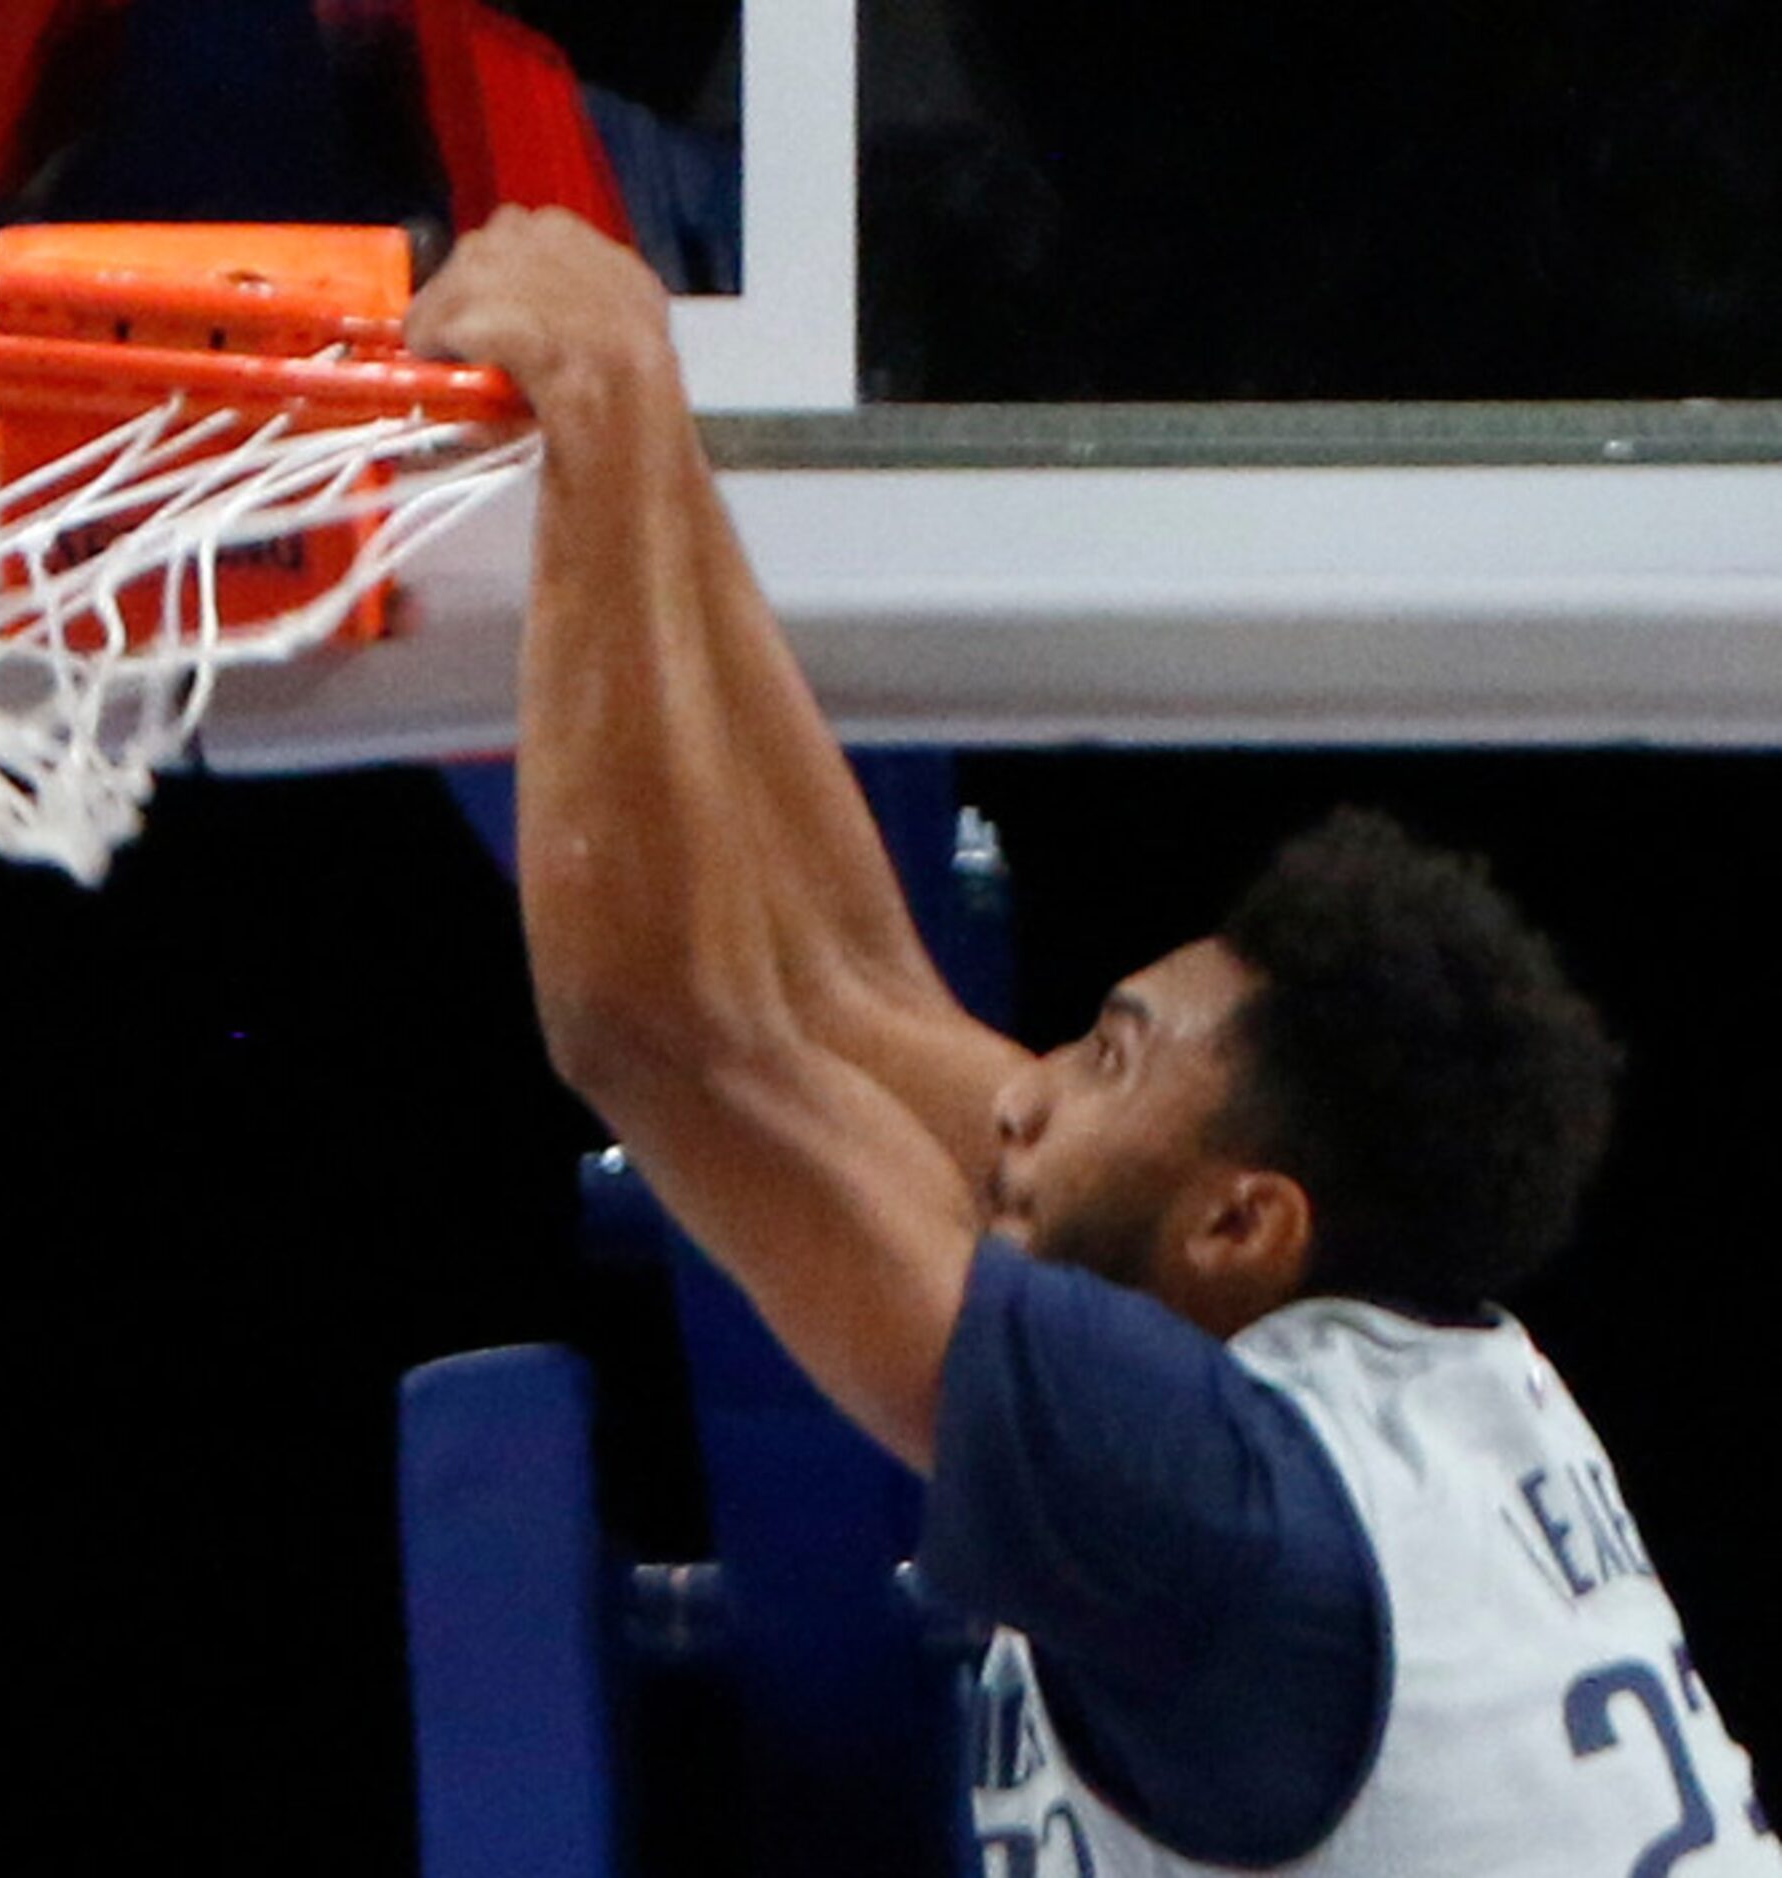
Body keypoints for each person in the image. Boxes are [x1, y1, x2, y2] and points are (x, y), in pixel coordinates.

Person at [405, 207, 1778, 1873]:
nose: (1021, 1089)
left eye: (1111, 1058)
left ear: (1241, 1218)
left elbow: (652, 1031)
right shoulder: (1377, 1377)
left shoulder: (1218, 1519)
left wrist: (607, 411)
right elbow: (849, 986)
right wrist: (659, 457)